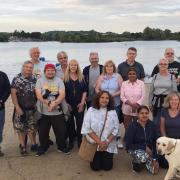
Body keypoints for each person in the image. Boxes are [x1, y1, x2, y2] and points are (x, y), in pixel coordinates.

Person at [35, 64, 69, 156]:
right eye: (48, 70)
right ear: (45, 71)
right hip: (43, 112)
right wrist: (49, 103)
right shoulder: (39, 81)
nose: (50, 72)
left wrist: (54, 103)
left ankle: (61, 147)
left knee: (61, 131)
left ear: (55, 71)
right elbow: (38, 95)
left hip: (58, 111)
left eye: (52, 70)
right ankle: (43, 147)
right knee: (42, 132)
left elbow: (62, 94)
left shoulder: (59, 81)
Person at [81, 91, 119, 171]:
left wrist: (107, 142)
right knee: (95, 167)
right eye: (102, 97)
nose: (104, 100)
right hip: (95, 144)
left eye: (107, 98)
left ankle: (106, 155)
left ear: (109, 100)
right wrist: (100, 142)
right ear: (98, 99)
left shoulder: (113, 111)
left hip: (108, 144)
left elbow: (116, 129)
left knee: (107, 167)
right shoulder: (91, 110)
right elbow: (86, 128)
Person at [11, 61, 38, 156]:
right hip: (21, 108)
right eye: (26, 67)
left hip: (32, 108)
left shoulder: (35, 78)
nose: (28, 69)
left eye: (30, 67)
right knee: (21, 129)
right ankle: (23, 147)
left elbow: (38, 92)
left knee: (32, 128)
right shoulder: (17, 78)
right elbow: (13, 94)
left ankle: (34, 144)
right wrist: (17, 107)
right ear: (23, 67)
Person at [95, 60, 123, 148]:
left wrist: (112, 95)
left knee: (115, 120)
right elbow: (97, 89)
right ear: (105, 68)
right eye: (107, 66)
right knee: (105, 120)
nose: (109, 68)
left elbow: (122, 89)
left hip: (115, 102)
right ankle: (105, 137)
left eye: (111, 66)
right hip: (103, 102)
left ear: (113, 68)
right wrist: (102, 96)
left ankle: (117, 138)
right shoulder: (101, 77)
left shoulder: (117, 76)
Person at [125, 106, 159, 174]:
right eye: (142, 113)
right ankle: (135, 163)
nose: (144, 115)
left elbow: (156, 142)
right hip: (135, 149)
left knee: (154, 171)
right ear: (138, 114)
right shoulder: (132, 126)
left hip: (150, 150)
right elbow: (128, 145)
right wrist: (144, 147)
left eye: (146, 113)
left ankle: (149, 159)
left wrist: (155, 159)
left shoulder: (152, 125)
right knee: (143, 157)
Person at [149, 58, 177, 136]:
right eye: (161, 64)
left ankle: (166, 141)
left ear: (168, 65)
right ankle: (156, 142)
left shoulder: (172, 77)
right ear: (158, 65)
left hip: (167, 103)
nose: (163, 65)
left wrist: (176, 104)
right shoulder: (155, 76)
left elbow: (174, 92)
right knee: (156, 123)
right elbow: (151, 91)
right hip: (156, 103)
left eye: (165, 64)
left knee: (167, 123)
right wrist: (149, 104)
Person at [64, 59, 87, 149]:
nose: (73, 67)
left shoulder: (82, 77)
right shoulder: (65, 78)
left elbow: (85, 91)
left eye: (75, 65)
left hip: (79, 104)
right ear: (69, 66)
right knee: (69, 123)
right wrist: (66, 104)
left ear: (77, 67)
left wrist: (82, 103)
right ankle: (71, 140)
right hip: (68, 104)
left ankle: (80, 141)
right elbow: (63, 92)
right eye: (71, 65)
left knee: (80, 123)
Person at [159, 91, 180, 168]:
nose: (174, 101)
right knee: (165, 165)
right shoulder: (164, 110)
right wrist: (167, 141)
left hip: (179, 142)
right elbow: (162, 127)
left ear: (179, 101)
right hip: (168, 141)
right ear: (168, 101)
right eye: (171, 99)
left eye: (176, 99)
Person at [0, 71, 10, 156]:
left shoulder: (3, 75)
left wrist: (1, 100)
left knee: (0, 129)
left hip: (0, 108)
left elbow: (7, 89)